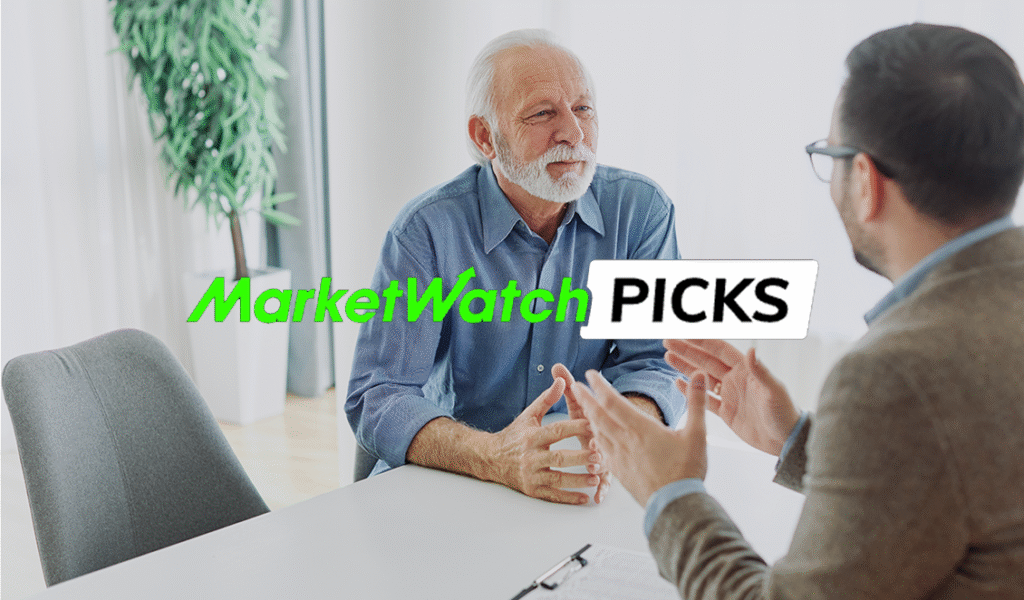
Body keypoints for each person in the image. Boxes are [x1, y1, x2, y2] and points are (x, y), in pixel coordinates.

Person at [574, 23, 1024, 598]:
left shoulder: (894, 375)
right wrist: (798, 442)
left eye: (829, 154)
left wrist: (672, 493)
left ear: (864, 179)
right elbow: (972, 480)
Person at [345, 29, 686, 505]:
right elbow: (378, 396)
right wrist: (497, 456)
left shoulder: (641, 211)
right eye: (543, 113)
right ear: (485, 136)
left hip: (582, 482)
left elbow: (655, 361)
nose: (573, 132)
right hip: (458, 480)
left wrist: (615, 433)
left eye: (583, 109)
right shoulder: (426, 231)